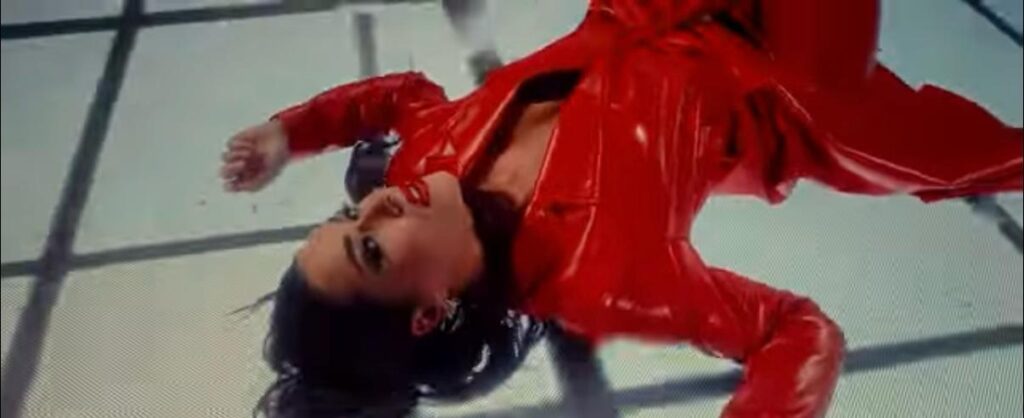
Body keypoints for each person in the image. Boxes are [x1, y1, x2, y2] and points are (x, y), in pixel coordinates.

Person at [218, 0, 1024, 416]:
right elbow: (796, 333)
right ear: (430, 311)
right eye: (370, 249)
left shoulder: (427, 160)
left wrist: (290, 132)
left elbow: (399, 95)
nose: (378, 204)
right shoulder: (605, 279)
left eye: (347, 219)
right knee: (971, 156)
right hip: (784, 77)